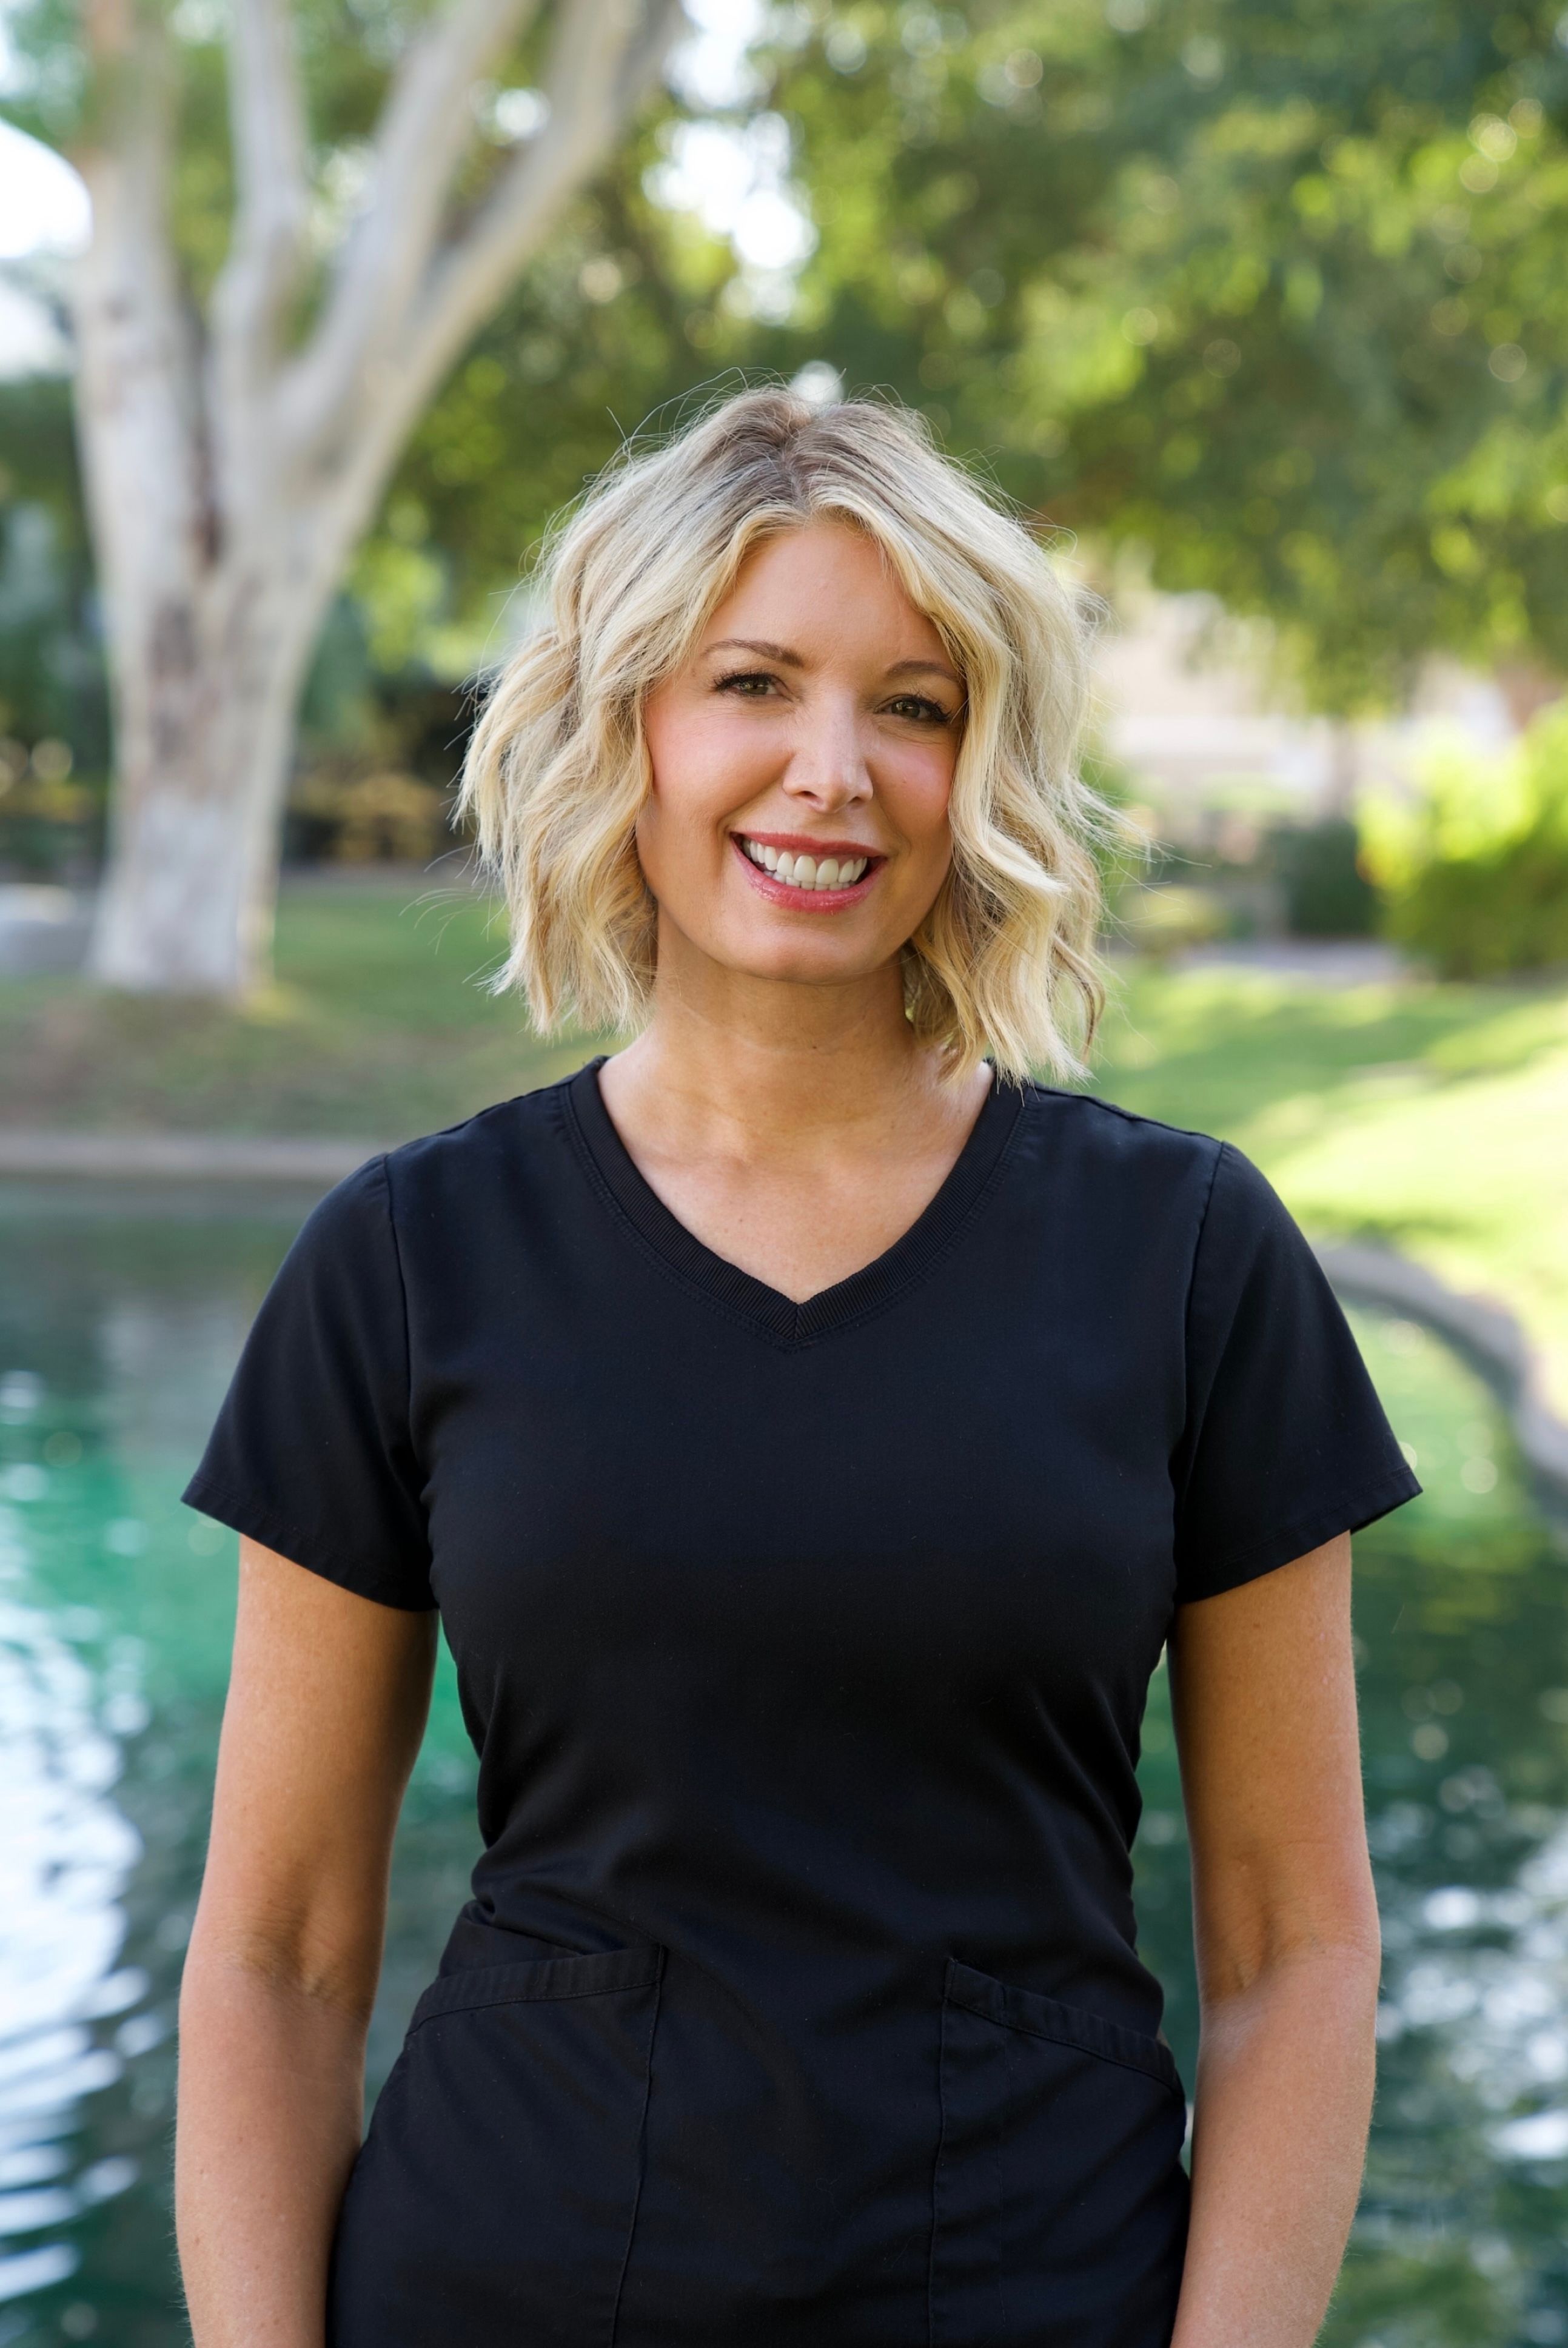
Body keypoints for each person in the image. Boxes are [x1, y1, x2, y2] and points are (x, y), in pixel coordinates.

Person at [175, 387, 1419, 2348]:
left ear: (980, 763)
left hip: (1030, 2293)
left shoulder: (1182, 1260)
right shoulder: (412, 1261)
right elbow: (280, 1955)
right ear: (631, 730)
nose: (832, 772)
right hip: (501, 2284)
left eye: (912, 705)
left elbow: (1295, 1946)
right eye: (754, 681)